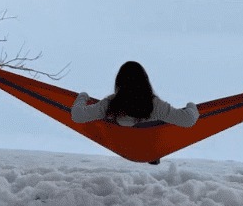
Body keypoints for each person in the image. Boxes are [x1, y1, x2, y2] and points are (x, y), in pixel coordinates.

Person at [71, 61, 199, 162]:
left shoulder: (110, 104)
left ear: (119, 83)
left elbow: (77, 115)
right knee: (160, 126)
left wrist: (83, 96)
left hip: (121, 147)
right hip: (149, 150)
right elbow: (188, 120)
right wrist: (191, 106)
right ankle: (153, 154)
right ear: (145, 82)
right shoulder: (154, 105)